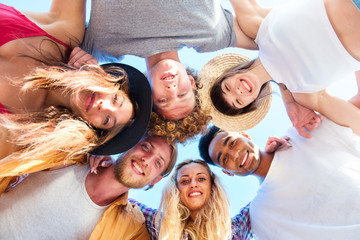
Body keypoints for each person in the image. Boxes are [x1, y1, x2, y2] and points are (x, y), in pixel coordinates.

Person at [67, 0, 259, 142]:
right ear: (192, 83)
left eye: (163, 100)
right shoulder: (210, 34)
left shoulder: (105, 48)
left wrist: (77, 65)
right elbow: (270, 38)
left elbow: (57, 41)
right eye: (182, 94)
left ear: (149, 93)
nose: (172, 88)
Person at [198, 0, 360, 136]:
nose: (238, 91)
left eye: (228, 87)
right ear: (252, 102)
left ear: (229, 74)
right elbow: (355, 121)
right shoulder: (304, 95)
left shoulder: (256, 26)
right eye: (238, 101)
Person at [199, 118, 360, 238]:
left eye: (232, 143)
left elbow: (353, 108)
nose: (234, 154)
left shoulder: (301, 133)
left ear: (245, 134)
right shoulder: (258, 215)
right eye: (224, 159)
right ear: (228, 173)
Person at [0, 133, 178, 240]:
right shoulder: (74, 156)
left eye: (158, 163)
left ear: (155, 180)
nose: (146, 160)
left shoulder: (131, 228)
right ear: (130, 143)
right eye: (146, 147)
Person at [129, 159, 253, 240]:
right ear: (176, 190)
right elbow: (123, 201)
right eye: (185, 181)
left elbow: (268, 200)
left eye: (201, 179)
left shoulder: (234, 229)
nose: (193, 184)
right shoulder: (161, 225)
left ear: (212, 187)